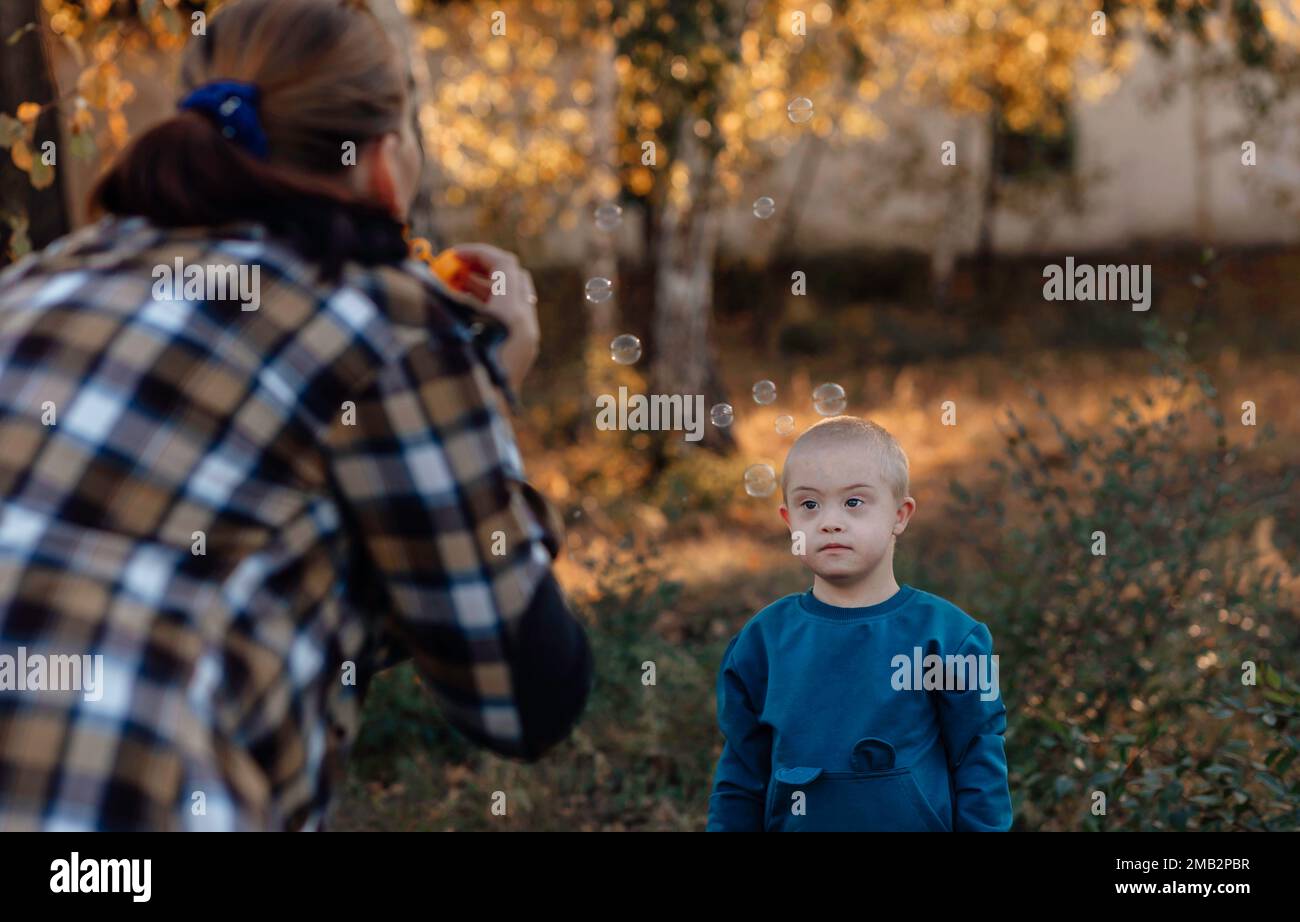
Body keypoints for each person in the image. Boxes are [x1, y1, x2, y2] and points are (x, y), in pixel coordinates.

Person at [0, 0, 591, 831]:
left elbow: (257, 586)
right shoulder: (383, 324)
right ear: (385, 164)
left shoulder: (34, 287)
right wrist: (485, 397)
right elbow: (525, 696)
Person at [706, 416, 1012, 831]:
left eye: (854, 502)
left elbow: (979, 763)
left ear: (899, 516)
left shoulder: (952, 638)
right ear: (789, 521)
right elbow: (741, 778)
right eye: (809, 505)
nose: (829, 521)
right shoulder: (762, 642)